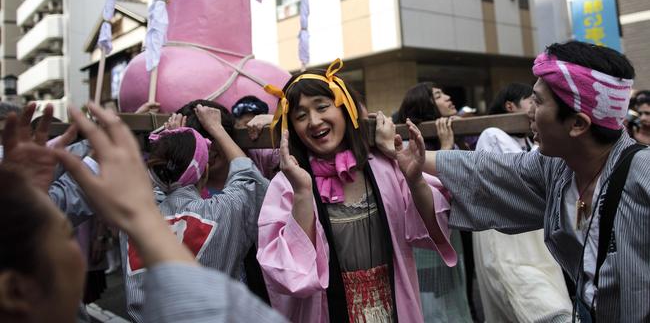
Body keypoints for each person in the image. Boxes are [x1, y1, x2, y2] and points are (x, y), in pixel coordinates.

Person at [399, 41, 650, 322]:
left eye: (538, 102)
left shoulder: (644, 177)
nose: (528, 113)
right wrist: (412, 157)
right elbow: (489, 171)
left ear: (578, 124)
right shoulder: (556, 169)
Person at [0, 102, 286, 323]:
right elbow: (248, 179)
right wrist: (219, 130)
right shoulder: (225, 209)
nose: (76, 248)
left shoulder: (140, 210)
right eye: (65, 234)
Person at [257, 59, 456, 323]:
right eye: (300, 116)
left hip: (394, 307)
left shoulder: (384, 166)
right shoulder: (286, 185)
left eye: (322, 107)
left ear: (346, 109)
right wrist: (303, 193)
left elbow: (432, 226)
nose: (314, 121)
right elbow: (288, 274)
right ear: (291, 128)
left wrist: (415, 178)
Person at [122, 104, 269, 322]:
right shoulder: (221, 211)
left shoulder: (134, 219)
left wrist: (172, 144)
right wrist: (217, 129)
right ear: (205, 170)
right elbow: (249, 179)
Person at [473, 83, 573, 322]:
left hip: (535, 236)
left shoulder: (529, 141)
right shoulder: (492, 134)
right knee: (527, 294)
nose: (535, 108)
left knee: (550, 285)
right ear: (511, 106)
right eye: (532, 101)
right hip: (508, 237)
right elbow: (516, 174)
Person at [395, 83, 474, 323]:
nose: (449, 98)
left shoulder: (453, 136)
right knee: (433, 305)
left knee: (457, 298)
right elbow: (429, 195)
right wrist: (446, 149)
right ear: (425, 106)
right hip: (425, 242)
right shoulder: (409, 146)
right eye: (438, 95)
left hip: (456, 235)